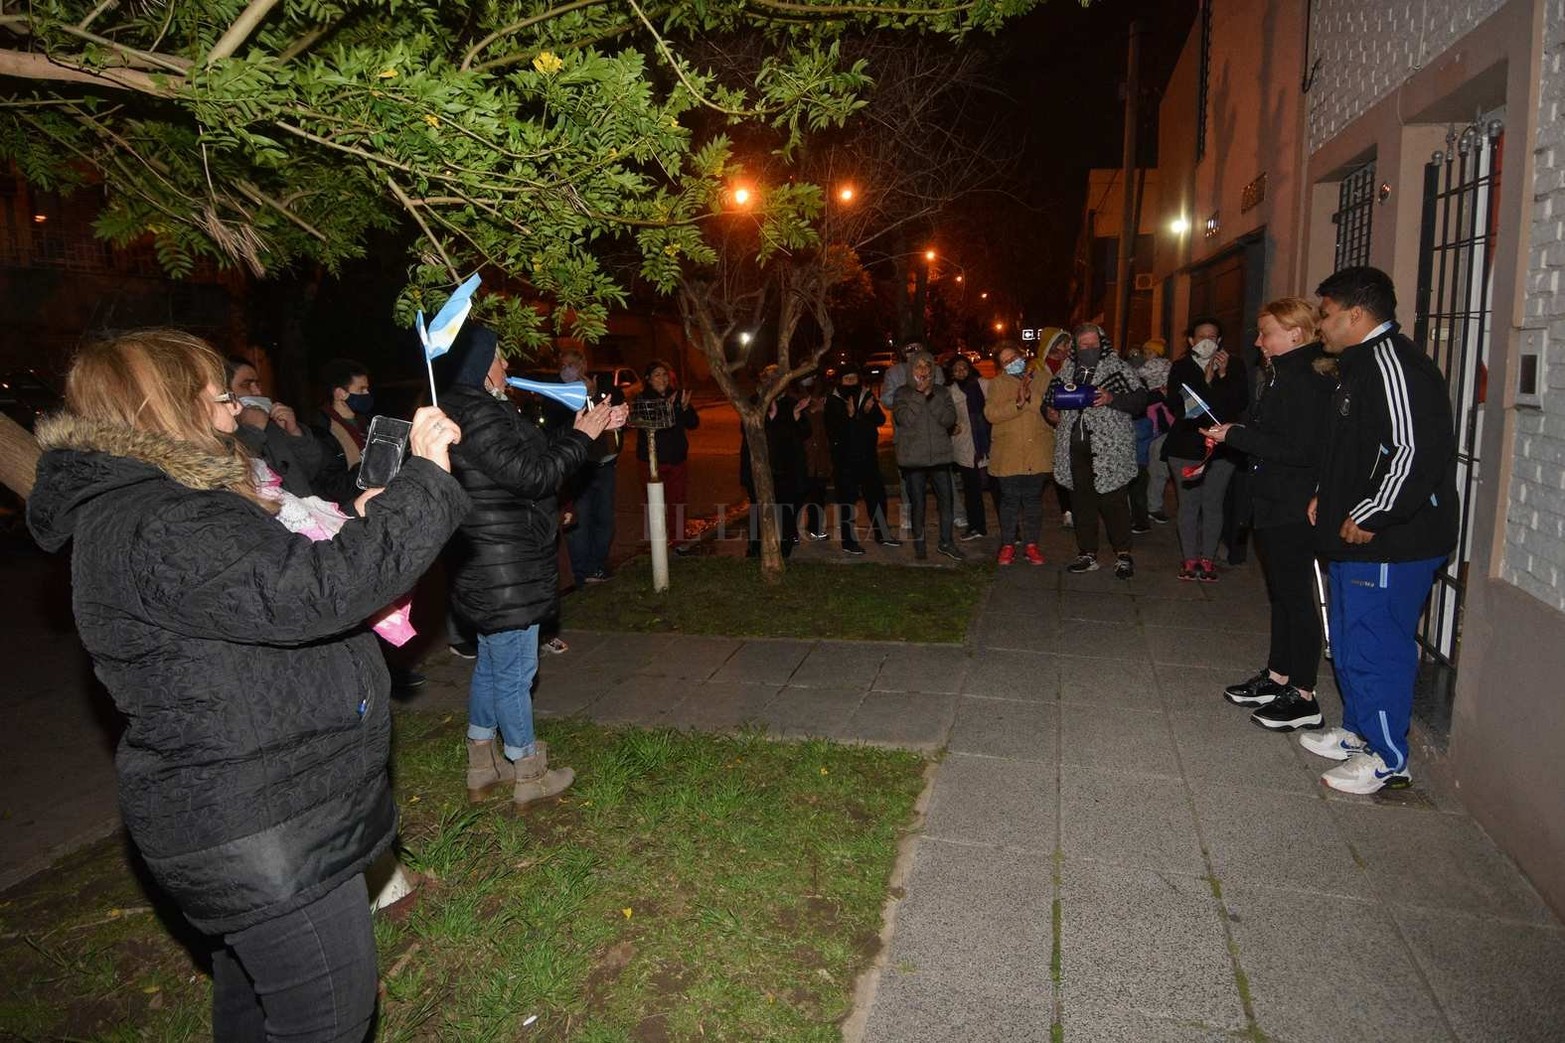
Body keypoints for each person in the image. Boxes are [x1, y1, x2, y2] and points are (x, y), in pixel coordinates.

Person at [27, 328, 469, 1041]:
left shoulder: (150, 505)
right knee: (325, 1017)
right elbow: (317, 593)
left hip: (249, 809)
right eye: (216, 391)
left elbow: (263, 583)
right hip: (262, 822)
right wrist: (424, 480)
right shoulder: (162, 518)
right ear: (163, 402)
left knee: (256, 1002)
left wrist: (362, 518)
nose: (234, 405)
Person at [441, 329, 626, 808]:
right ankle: (527, 769)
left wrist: (589, 427)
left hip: (490, 558)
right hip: (506, 561)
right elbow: (534, 476)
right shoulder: (479, 411)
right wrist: (583, 439)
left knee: (491, 660)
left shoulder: (472, 408)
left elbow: (530, 456)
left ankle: (482, 760)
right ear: (484, 368)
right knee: (516, 670)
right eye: (501, 361)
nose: (507, 369)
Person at [1297, 266, 1457, 793]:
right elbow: (1361, 447)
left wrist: (1372, 512)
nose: (1321, 324)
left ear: (1356, 314)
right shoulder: (1359, 363)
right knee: (1347, 636)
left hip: (1393, 538)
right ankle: (1360, 733)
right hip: (1358, 535)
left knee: (1376, 645)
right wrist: (1332, 495)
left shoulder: (1392, 363)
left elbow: (1414, 451)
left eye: (1326, 314)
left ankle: (1388, 758)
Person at [1202, 298, 1338, 731]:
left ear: (1295, 332)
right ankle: (1279, 675)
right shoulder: (1283, 373)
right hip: (1273, 499)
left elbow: (1301, 450)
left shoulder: (1307, 378)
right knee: (1280, 593)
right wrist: (1236, 433)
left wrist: (1238, 435)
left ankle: (1303, 695)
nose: (1259, 341)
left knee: (1296, 598)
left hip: (1293, 503)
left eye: (1267, 333)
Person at [1046, 324, 1147, 578]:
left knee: (1114, 503)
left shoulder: (1119, 369)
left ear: (1102, 344)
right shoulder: (1066, 371)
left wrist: (1112, 399)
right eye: (1084, 345)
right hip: (1075, 450)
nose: (1089, 348)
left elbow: (1140, 402)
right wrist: (1049, 411)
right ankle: (1087, 553)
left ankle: (1123, 555)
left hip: (1110, 451)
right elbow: (1048, 401)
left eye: (1094, 344)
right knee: (1082, 504)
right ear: (1076, 348)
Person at [1163, 317, 1249, 581]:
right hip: (1185, 447)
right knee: (1189, 504)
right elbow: (1184, 409)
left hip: (1222, 449)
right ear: (1191, 341)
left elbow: (1237, 403)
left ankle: (1207, 559)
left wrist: (1222, 376)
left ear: (1220, 340)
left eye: (1212, 336)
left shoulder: (1235, 366)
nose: (1207, 342)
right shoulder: (1180, 367)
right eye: (1201, 337)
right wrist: (1208, 378)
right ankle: (1189, 559)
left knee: (1213, 504)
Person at [225, 355, 359, 506]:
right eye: (246, 385)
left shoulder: (273, 426)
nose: (256, 392)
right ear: (226, 392)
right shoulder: (222, 435)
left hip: (303, 515)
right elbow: (237, 475)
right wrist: (253, 431)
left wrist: (295, 434)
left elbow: (312, 471)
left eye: (257, 384)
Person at [555, 349, 624, 585]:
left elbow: (617, 409)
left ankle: (596, 565)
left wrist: (593, 396)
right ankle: (581, 572)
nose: (567, 369)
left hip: (604, 465)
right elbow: (559, 428)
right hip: (578, 468)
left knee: (604, 519)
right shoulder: (559, 394)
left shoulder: (601, 384)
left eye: (572, 364)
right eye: (563, 365)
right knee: (579, 521)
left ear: (583, 364)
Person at [985, 341, 1054, 565]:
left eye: (1013, 357)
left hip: (1037, 451)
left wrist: (1030, 398)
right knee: (1010, 501)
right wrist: (1017, 403)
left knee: (1033, 501)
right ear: (1001, 367)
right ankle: (1007, 544)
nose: (1011, 363)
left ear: (1022, 355)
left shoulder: (1044, 379)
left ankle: (1031, 545)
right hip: (1009, 454)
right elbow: (992, 414)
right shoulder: (997, 384)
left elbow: (1050, 410)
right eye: (1005, 362)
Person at [892, 349, 963, 561]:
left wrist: (930, 396)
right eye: (918, 366)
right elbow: (904, 420)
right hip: (914, 460)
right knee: (918, 505)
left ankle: (946, 542)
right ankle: (920, 545)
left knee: (946, 503)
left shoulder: (941, 392)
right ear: (911, 369)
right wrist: (918, 395)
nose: (923, 370)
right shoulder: (902, 393)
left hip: (940, 458)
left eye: (927, 366)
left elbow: (949, 419)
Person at [825, 367, 898, 553]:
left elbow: (880, 420)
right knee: (847, 500)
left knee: (876, 496)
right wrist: (851, 416)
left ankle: (882, 534)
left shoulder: (866, 395)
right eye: (846, 379)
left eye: (853, 378)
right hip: (844, 460)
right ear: (840, 381)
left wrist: (869, 411)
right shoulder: (833, 400)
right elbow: (834, 430)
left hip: (868, 457)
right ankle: (848, 541)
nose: (850, 382)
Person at [740, 365, 810, 557]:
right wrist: (768, 419)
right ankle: (755, 548)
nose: (772, 383)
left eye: (777, 379)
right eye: (768, 378)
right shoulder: (754, 403)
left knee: (786, 509)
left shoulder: (791, 403)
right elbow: (747, 432)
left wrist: (796, 418)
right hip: (759, 467)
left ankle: (784, 548)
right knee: (758, 509)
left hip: (786, 468)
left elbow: (805, 433)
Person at [633, 359, 700, 550]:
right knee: (655, 502)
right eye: (657, 375)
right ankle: (658, 543)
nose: (662, 378)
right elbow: (646, 424)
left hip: (676, 458)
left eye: (664, 374)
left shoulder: (677, 396)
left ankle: (679, 541)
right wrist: (666, 408)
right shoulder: (642, 399)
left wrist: (685, 409)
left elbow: (693, 424)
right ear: (648, 379)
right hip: (651, 461)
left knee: (677, 500)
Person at [882, 340, 944, 537]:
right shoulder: (894, 373)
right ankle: (908, 518)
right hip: (906, 434)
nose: (913, 353)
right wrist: (911, 392)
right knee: (907, 480)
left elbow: (943, 395)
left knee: (942, 477)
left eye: (917, 349)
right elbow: (887, 400)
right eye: (908, 350)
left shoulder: (936, 370)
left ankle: (954, 514)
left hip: (933, 432)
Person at [948, 355, 990, 540]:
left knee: (999, 489)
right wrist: (952, 427)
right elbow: (946, 416)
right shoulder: (950, 392)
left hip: (988, 442)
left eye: (963, 368)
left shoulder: (983, 385)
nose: (960, 372)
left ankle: (1012, 532)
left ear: (970, 368)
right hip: (965, 445)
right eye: (956, 369)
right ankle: (976, 526)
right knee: (972, 489)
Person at [315, 357, 373, 471]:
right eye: (361, 389)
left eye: (367, 389)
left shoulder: (367, 422)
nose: (367, 393)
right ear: (340, 393)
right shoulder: (323, 431)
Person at [799, 374, 834, 539]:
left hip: (820, 457)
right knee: (797, 496)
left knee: (818, 495)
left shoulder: (825, 397)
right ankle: (791, 532)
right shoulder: (794, 396)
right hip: (802, 457)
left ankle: (816, 528)